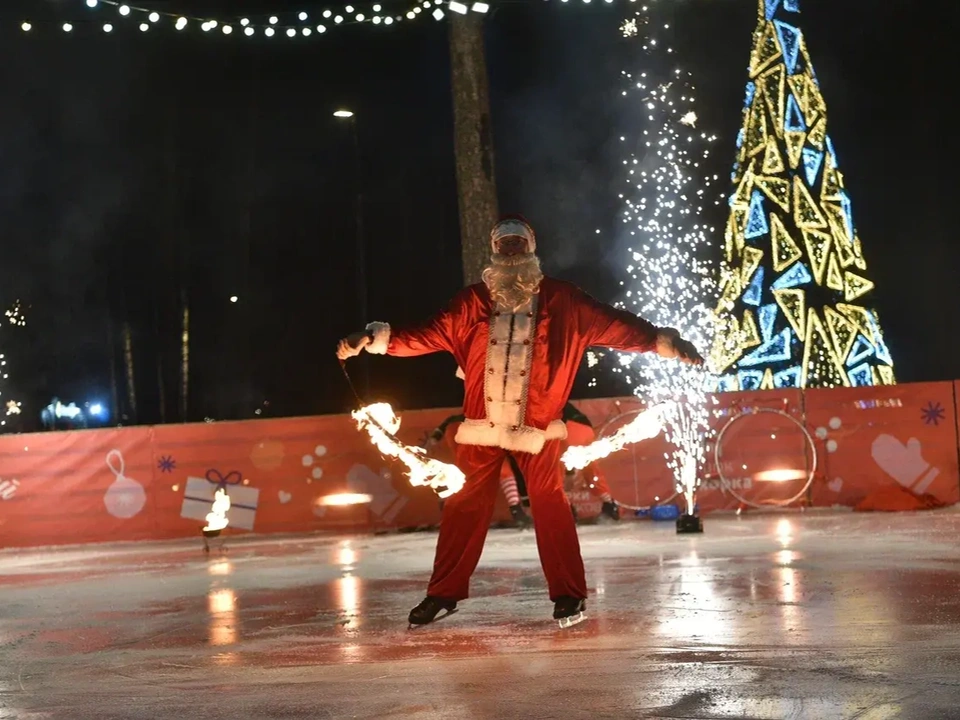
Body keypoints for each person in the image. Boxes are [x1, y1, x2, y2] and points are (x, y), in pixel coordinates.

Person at [337, 215, 702, 625]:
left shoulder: (564, 301)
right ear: (495, 251)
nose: (511, 251)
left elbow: (616, 327)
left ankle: (568, 594)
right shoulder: (471, 302)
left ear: (531, 249)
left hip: (539, 431)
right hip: (480, 429)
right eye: (504, 244)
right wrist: (370, 340)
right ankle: (443, 594)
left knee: (551, 506)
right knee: (463, 507)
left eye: (518, 244)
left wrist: (661, 342)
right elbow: (423, 335)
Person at [424, 413, 533, 529]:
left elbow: (436, 436)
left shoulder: (453, 421)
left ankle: (449, 509)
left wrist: (432, 440)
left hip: (466, 446)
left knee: (466, 479)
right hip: (477, 442)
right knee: (502, 472)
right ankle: (517, 511)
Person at [561, 402, 621, 522]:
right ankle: (609, 504)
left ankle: (566, 509)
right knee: (591, 469)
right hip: (585, 429)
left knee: (557, 471)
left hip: (569, 429)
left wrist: (569, 472)